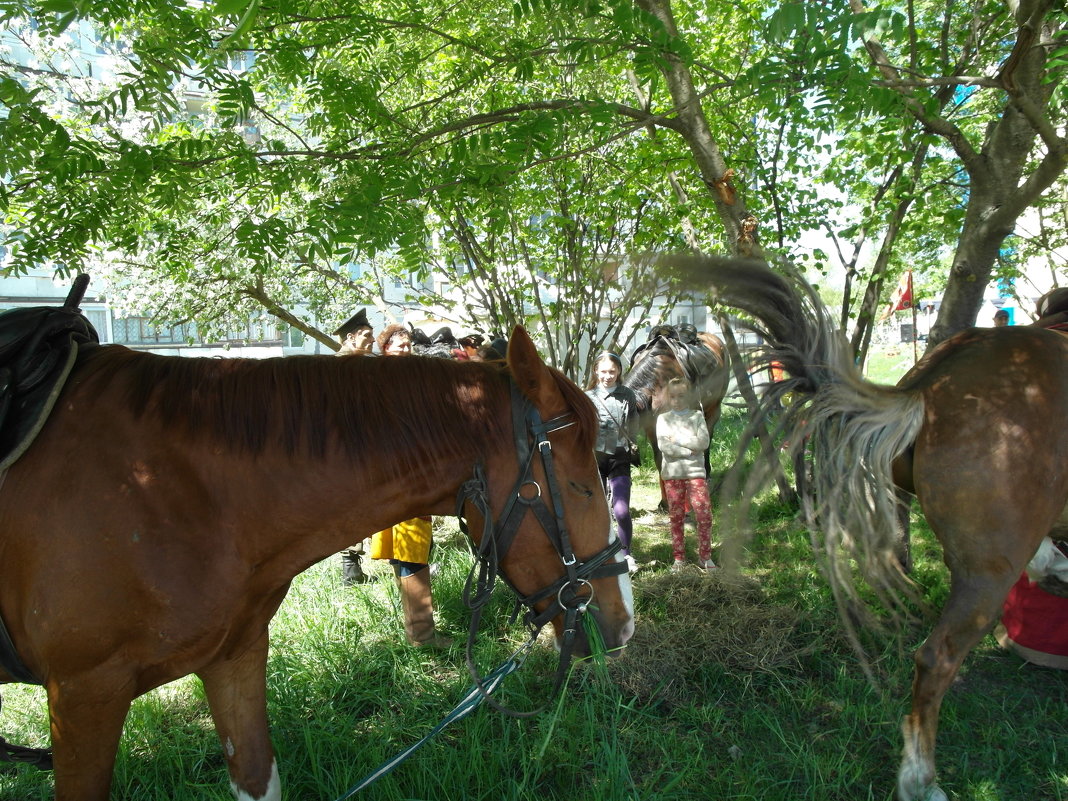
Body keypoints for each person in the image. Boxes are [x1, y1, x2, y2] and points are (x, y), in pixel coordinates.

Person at [369, 323, 452, 647]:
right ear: (385, 348)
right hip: (401, 477)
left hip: (413, 473)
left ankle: (416, 629)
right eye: (398, 345)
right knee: (411, 550)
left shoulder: (412, 378)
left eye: (407, 345)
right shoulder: (379, 382)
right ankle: (422, 635)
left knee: (408, 550)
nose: (404, 349)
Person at [585, 352, 642, 573]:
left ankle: (626, 554)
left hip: (620, 457)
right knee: (597, 511)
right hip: (594, 459)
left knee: (621, 510)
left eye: (612, 371)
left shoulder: (627, 394)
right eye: (604, 371)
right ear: (596, 371)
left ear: (619, 371)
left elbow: (633, 425)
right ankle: (597, 553)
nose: (608, 376)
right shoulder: (587, 396)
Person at [656, 377, 717, 573]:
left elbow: (703, 442)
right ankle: (679, 558)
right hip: (673, 475)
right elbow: (664, 446)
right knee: (676, 516)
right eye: (673, 397)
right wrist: (688, 450)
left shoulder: (697, 416)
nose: (677, 400)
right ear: (668, 398)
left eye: (682, 396)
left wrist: (679, 439)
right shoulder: (663, 419)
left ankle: (705, 556)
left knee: (704, 514)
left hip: (695, 473)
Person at [334, 308, 375, 585]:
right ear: (351, 337)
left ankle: (356, 570)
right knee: (350, 506)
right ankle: (350, 572)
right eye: (367, 335)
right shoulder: (339, 368)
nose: (372, 340)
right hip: (347, 449)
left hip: (366, 446)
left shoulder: (365, 365)